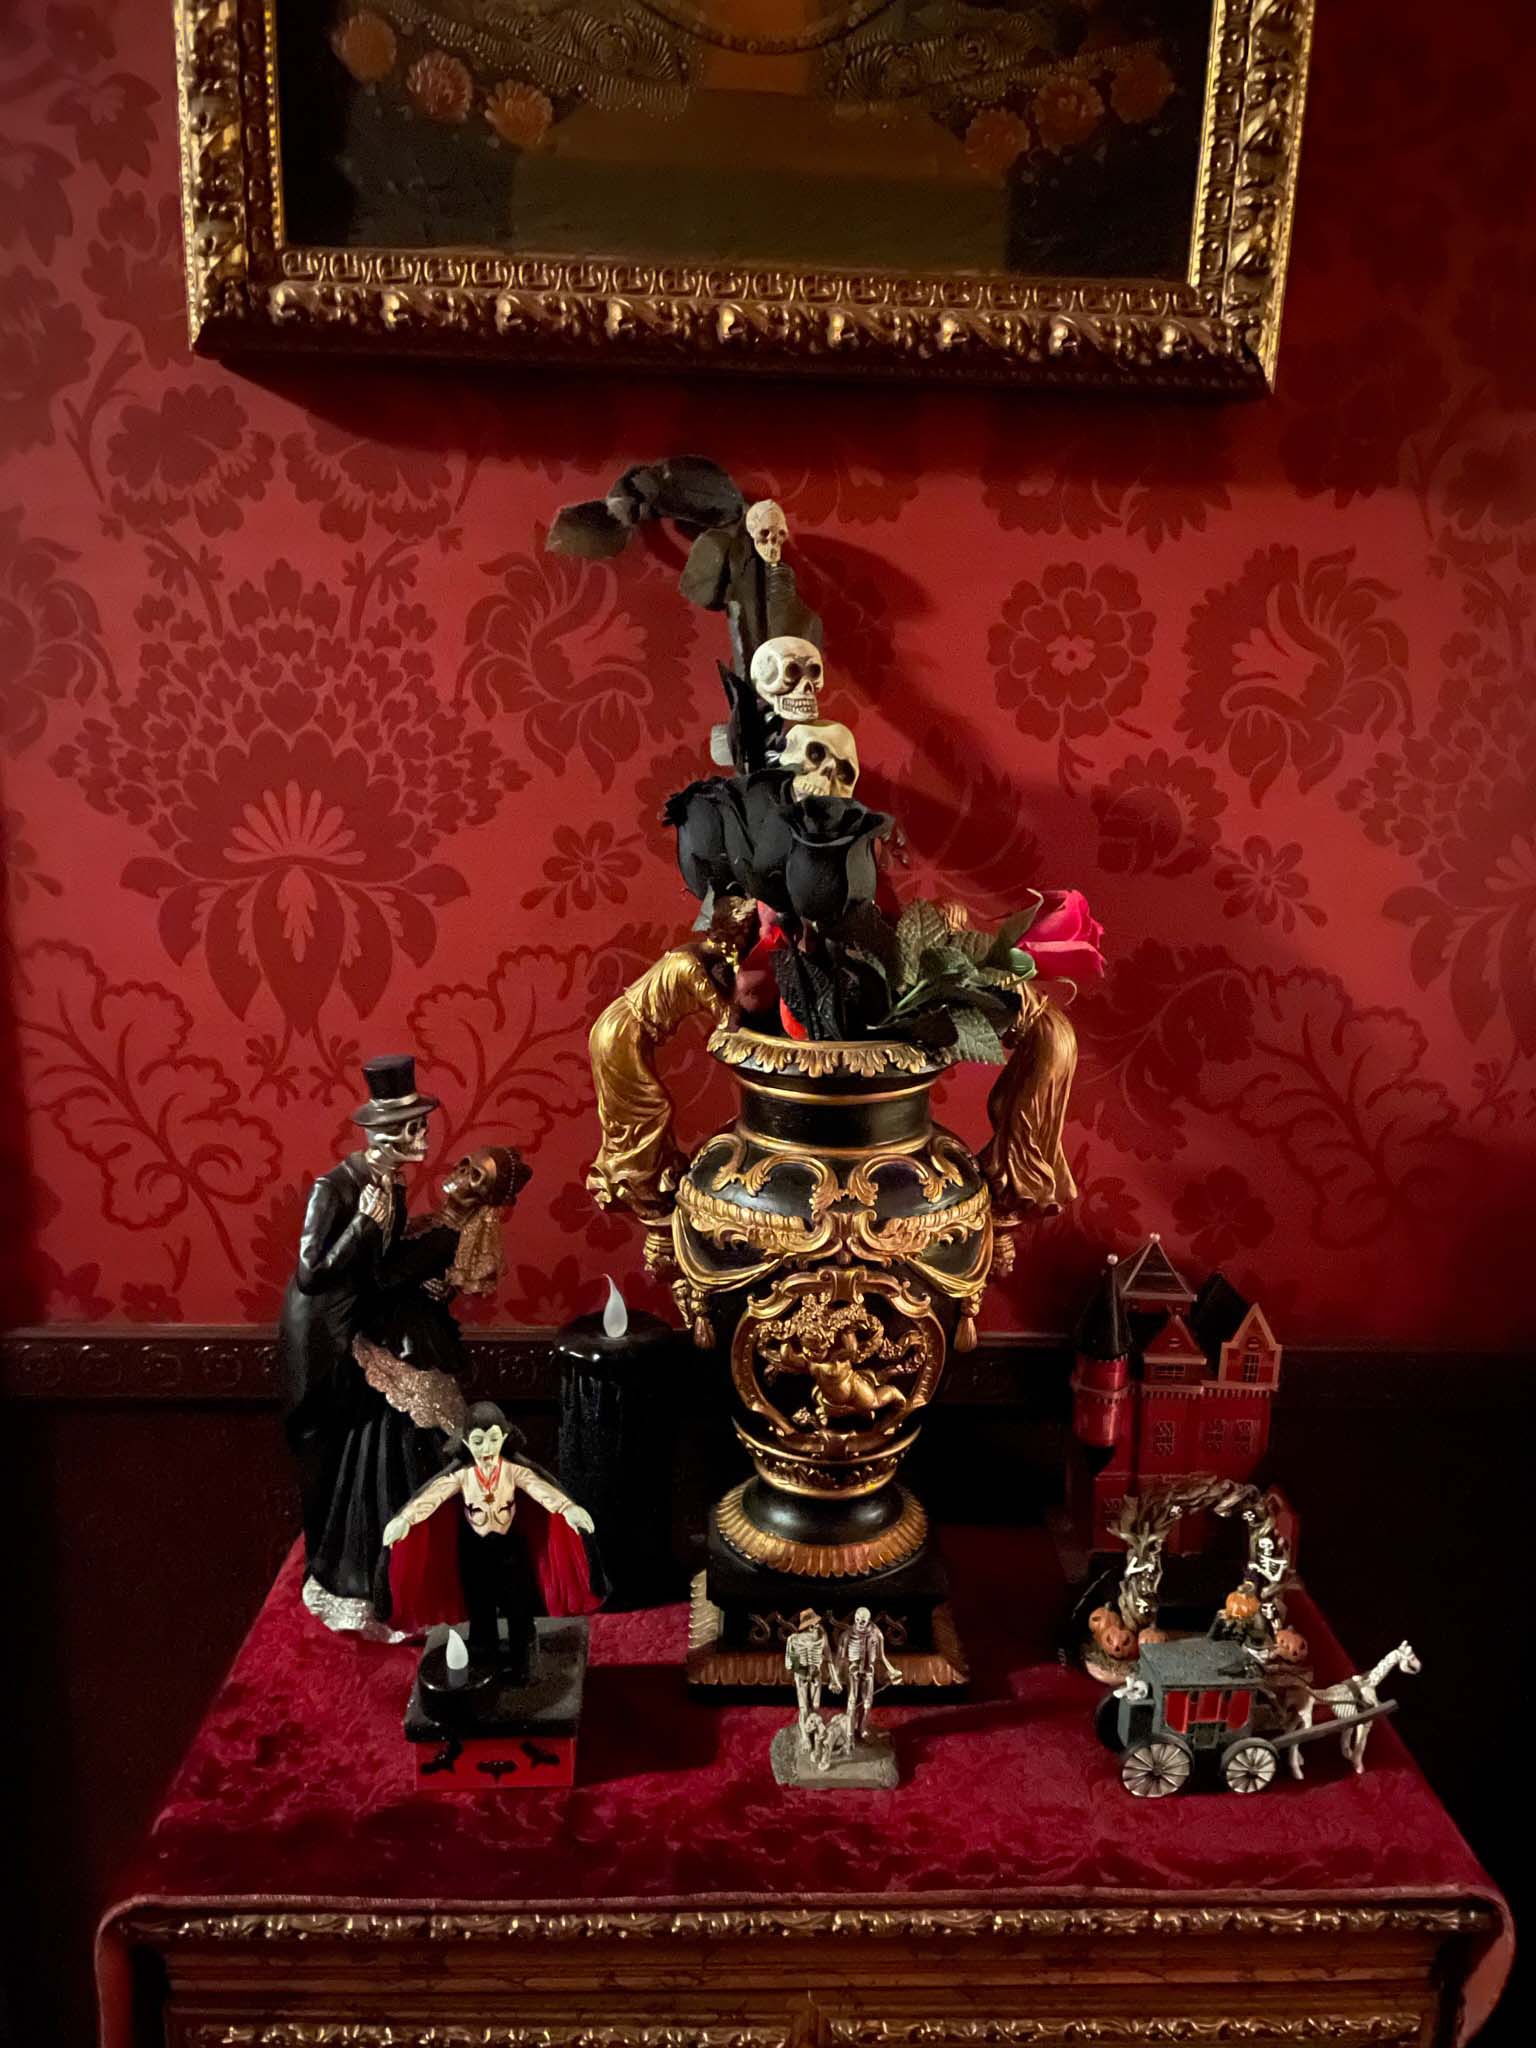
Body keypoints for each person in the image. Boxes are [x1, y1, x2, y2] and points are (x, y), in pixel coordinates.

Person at [280, 1055, 462, 1633]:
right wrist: (362, 1223)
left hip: (358, 1319)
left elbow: (375, 1268)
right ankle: (328, 1565)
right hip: (321, 1333)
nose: (423, 1138)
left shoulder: (392, 1183)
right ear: (382, 1135)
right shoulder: (334, 1187)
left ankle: (361, 1561)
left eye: (423, 1125)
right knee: (323, 1444)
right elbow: (312, 1272)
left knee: (352, 1443)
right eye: (412, 1129)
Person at [382, 1403, 601, 1680]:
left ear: (504, 1438)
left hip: (509, 1547)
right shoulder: (462, 1475)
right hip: (475, 1549)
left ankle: (522, 1657)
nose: (487, 1448)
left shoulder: (513, 1471)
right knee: (479, 1604)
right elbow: (433, 1497)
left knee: (518, 1604)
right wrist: (405, 1519)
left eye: (494, 1439)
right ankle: (483, 1653)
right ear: (465, 1442)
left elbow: (539, 1488)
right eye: (478, 1441)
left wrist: (567, 1508)